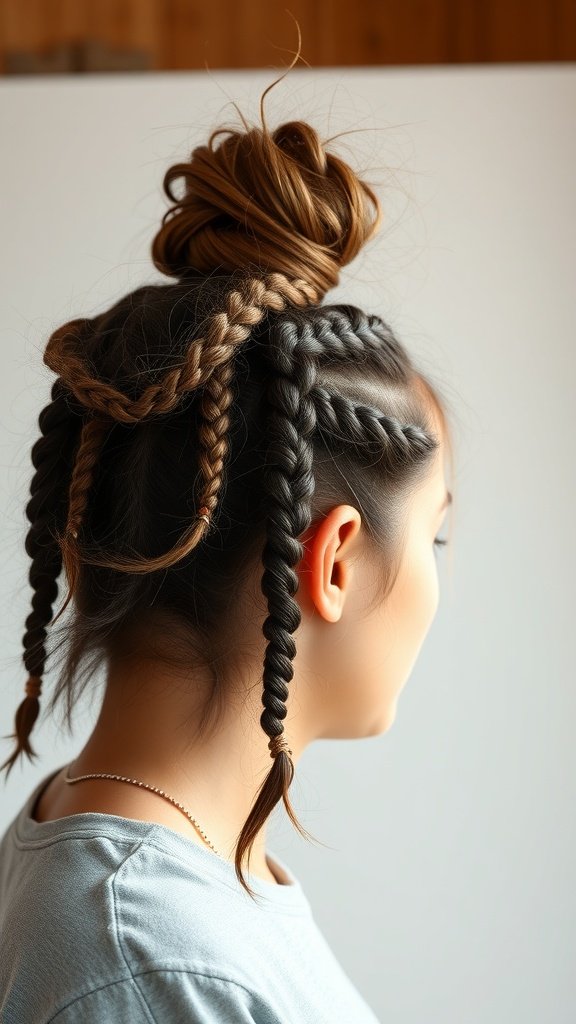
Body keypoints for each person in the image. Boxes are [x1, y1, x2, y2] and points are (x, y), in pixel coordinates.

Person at [0, 72, 454, 1024]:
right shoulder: (152, 959)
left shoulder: (144, 859)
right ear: (331, 562)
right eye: (436, 535)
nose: (438, 579)